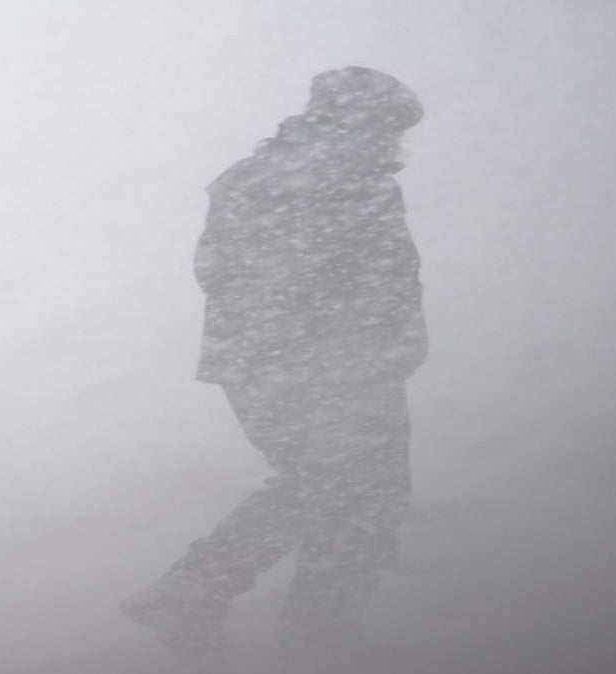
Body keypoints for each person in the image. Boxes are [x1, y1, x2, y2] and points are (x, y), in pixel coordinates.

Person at [123, 66, 427, 672]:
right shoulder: (351, 182)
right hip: (338, 370)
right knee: (365, 498)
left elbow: (215, 269)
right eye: (393, 127)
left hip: (257, 365)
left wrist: (275, 343)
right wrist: (362, 348)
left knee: (320, 486)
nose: (398, 144)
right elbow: (378, 284)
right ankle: (318, 640)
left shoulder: (250, 177)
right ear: (369, 121)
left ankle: (194, 591)